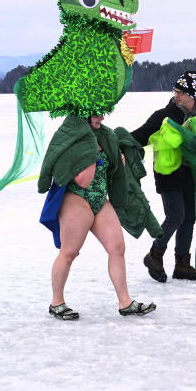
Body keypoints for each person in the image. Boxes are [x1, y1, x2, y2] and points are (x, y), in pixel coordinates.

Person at [38, 114, 158, 320]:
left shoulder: (105, 136)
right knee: (69, 252)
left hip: (100, 200)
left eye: (103, 111)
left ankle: (125, 302)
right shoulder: (72, 139)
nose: (102, 116)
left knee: (117, 248)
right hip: (77, 198)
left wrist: (117, 159)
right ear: (84, 112)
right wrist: (92, 151)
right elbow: (83, 180)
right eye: (97, 112)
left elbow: (111, 171)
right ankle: (56, 302)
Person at [130, 69, 196, 282]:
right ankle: (154, 254)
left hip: (194, 176)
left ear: (192, 94)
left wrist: (191, 141)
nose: (176, 95)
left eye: (180, 92)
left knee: (189, 218)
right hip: (168, 173)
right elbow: (140, 136)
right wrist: (113, 142)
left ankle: (182, 265)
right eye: (175, 91)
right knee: (176, 215)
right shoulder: (163, 116)